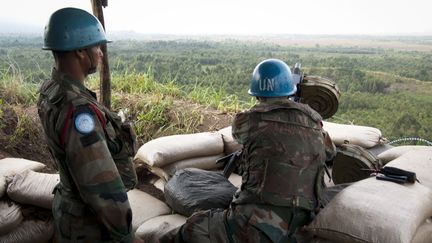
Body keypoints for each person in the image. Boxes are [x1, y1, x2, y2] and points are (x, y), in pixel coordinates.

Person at [160, 58, 336, 243]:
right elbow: (330, 153)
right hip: (304, 226)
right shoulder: (314, 121)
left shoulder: (249, 121)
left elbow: (239, 135)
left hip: (256, 226)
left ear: (257, 94)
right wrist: (298, 111)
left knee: (195, 226)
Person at [37, 7, 142, 242]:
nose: (101, 53)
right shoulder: (78, 112)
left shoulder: (52, 90)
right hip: (88, 224)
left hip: (71, 212)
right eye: (97, 47)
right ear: (80, 52)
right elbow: (101, 187)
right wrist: (127, 235)